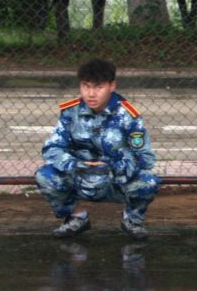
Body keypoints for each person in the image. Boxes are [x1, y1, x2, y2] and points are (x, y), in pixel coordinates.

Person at [36, 58, 158, 240]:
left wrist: (112, 167)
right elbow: (52, 148)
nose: (91, 94)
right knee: (45, 175)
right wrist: (75, 165)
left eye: (98, 87)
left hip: (115, 179)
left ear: (112, 86)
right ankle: (76, 217)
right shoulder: (71, 112)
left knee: (148, 182)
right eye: (85, 86)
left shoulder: (127, 115)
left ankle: (132, 220)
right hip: (79, 174)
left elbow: (144, 157)